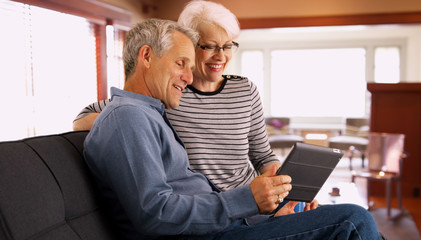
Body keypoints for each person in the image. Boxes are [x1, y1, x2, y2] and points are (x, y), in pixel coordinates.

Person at [83, 18, 383, 239]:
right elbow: (154, 213)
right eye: (181, 63)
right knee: (353, 220)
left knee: (346, 220)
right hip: (209, 234)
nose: (188, 77)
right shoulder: (128, 117)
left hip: (228, 224)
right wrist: (247, 200)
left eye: (191, 66)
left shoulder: (148, 113)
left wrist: (264, 206)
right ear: (147, 57)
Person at [75, 0, 280, 193]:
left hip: (255, 199)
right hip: (212, 206)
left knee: (310, 214)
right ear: (190, 45)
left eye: (227, 46)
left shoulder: (245, 89)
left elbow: (263, 155)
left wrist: (284, 194)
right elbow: (85, 118)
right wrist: (138, 123)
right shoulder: (168, 92)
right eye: (209, 46)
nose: (221, 56)